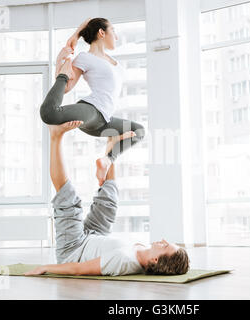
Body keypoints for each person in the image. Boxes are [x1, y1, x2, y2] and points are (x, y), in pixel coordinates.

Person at [24, 121, 190, 277]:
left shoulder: (124, 261)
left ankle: (55, 135)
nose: (163, 240)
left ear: (155, 260)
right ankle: (110, 148)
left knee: (69, 199)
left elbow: (78, 269)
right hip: (95, 235)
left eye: (166, 246)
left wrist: (45, 268)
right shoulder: (144, 250)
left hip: (74, 249)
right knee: (110, 201)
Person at [39, 17, 145, 186]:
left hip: (104, 121)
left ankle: (107, 160)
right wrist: (63, 60)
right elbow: (66, 88)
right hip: (91, 110)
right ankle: (56, 131)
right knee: (49, 113)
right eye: (114, 31)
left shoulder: (114, 62)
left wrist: (76, 35)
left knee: (139, 131)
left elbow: (91, 21)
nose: (116, 37)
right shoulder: (84, 58)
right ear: (102, 33)